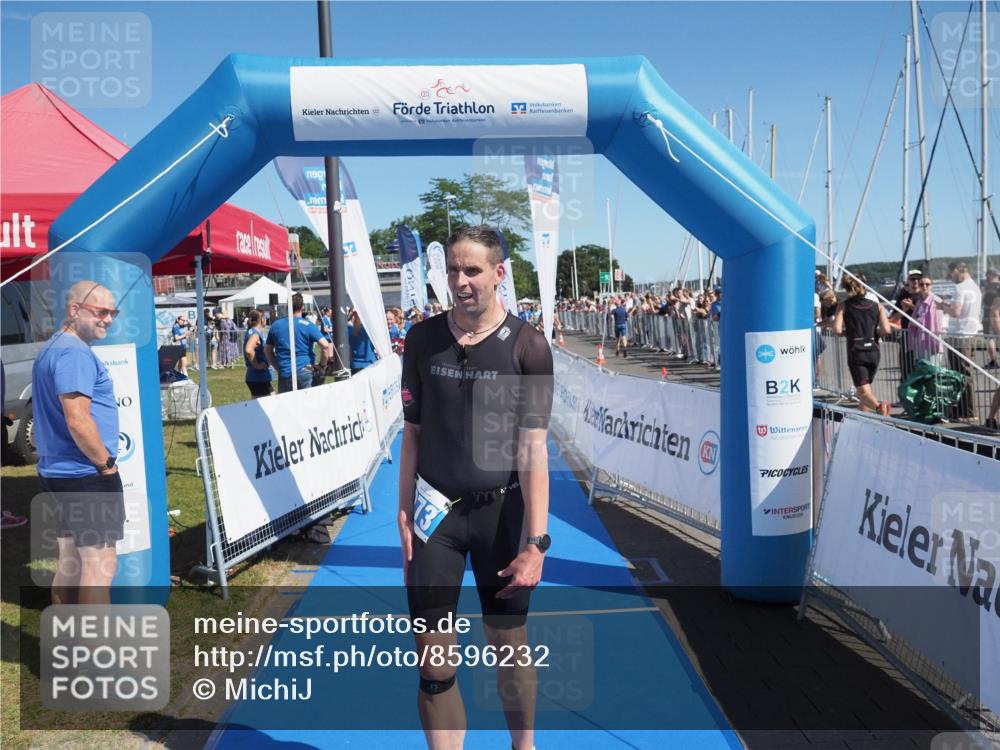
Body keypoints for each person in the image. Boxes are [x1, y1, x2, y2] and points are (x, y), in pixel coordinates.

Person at [399, 225, 553, 750]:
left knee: (508, 644)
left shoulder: (529, 346)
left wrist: (536, 543)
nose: (460, 281)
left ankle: (522, 746)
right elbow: (413, 435)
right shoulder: (422, 339)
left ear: (498, 274)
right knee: (433, 660)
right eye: (452, 270)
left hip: (501, 518)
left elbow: (534, 451)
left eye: (472, 271)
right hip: (435, 520)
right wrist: (403, 516)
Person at [32, 281, 124, 604]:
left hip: (59, 472)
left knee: (71, 564)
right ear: (74, 310)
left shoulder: (53, 347)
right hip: (85, 474)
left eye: (113, 312)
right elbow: (78, 420)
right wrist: (106, 465)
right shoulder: (73, 353)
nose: (109, 319)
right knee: (100, 566)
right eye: (101, 311)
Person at [834, 274, 892, 415]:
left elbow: (836, 329)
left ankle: (880, 408)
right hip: (874, 350)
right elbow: (886, 330)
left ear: (847, 288)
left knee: (862, 391)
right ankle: (862, 416)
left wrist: (847, 333)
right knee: (866, 387)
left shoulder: (844, 306)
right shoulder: (877, 306)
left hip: (856, 350)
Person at [264, 293, 332, 393]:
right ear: (303, 308)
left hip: (285, 372)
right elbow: (326, 346)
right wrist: (322, 366)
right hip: (305, 371)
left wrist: (278, 367)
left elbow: (267, 351)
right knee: (308, 405)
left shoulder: (276, 325)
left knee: (287, 406)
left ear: (288, 307)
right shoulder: (308, 325)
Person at [942, 262, 982, 419]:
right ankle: (965, 409)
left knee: (960, 374)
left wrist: (942, 307)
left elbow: (956, 312)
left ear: (957, 271)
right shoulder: (975, 287)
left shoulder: (960, 288)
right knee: (965, 373)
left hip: (959, 335)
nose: (951, 276)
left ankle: (967, 411)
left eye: (951, 273)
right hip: (971, 333)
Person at [909, 277, 945, 365]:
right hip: (920, 342)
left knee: (932, 371)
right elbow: (916, 317)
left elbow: (936, 323)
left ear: (931, 286)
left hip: (931, 342)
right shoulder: (919, 301)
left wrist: (918, 321)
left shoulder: (936, 301)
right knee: (923, 371)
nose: (924, 286)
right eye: (921, 284)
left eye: (927, 284)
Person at [243, 309, 273, 398]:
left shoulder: (253, 331)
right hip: (258, 377)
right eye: (265, 318)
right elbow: (248, 350)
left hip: (259, 378)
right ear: (262, 319)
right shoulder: (255, 334)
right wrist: (258, 365)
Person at [347, 310, 377, 374]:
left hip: (355, 364)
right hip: (369, 364)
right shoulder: (369, 330)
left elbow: (349, 349)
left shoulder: (349, 330)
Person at [982, 268, 999, 370]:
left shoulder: (987, 287)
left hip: (989, 314)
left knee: (990, 338)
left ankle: (993, 361)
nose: (986, 277)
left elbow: (982, 300)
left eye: (988, 274)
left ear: (992, 275)